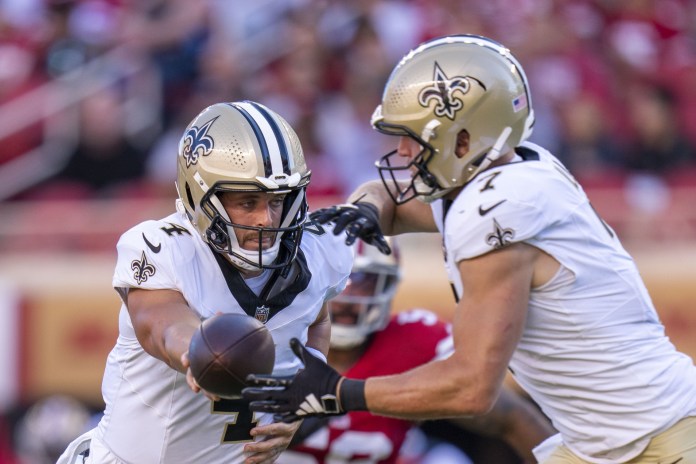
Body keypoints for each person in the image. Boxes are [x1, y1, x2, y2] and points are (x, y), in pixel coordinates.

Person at [243, 35, 696, 464]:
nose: (401, 150)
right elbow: (388, 200)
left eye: (415, 136)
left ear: (464, 139)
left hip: (657, 439)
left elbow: (471, 387)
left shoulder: (496, 209)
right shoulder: (509, 169)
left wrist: (339, 392)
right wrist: (364, 212)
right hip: (615, 438)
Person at [58, 100, 353, 464]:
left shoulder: (316, 252)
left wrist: (304, 387)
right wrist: (198, 349)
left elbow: (316, 319)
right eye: (248, 202)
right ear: (200, 196)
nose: (266, 219)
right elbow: (160, 326)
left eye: (278, 200)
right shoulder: (165, 246)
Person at [280, 238, 555, 464]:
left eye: (363, 282)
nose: (344, 299)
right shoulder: (267, 339)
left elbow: (512, 417)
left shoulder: (412, 342)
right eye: (333, 282)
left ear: (387, 287)